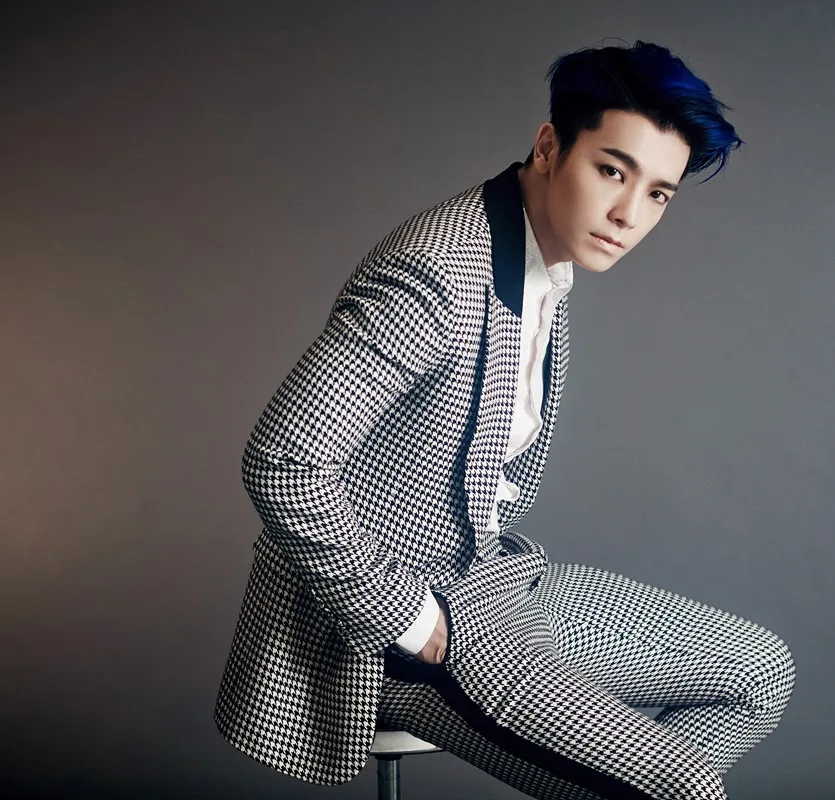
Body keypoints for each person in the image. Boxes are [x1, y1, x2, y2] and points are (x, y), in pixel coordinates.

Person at [213, 40, 794, 799]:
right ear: (550, 147)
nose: (628, 214)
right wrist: (409, 622)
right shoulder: (436, 274)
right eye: (612, 171)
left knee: (759, 673)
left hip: (494, 578)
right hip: (397, 629)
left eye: (658, 194)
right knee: (684, 790)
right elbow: (283, 460)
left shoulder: (540, 255)